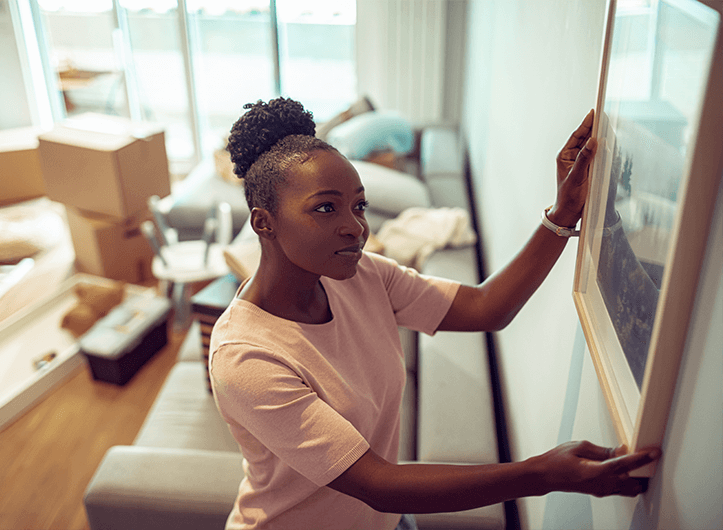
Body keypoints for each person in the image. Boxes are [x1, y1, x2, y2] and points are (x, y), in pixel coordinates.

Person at [208, 97, 660, 530]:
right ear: (263, 222)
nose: (356, 226)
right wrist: (541, 474)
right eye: (326, 208)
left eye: (358, 205)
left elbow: (487, 307)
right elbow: (378, 483)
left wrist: (563, 210)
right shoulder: (245, 357)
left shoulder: (363, 275)